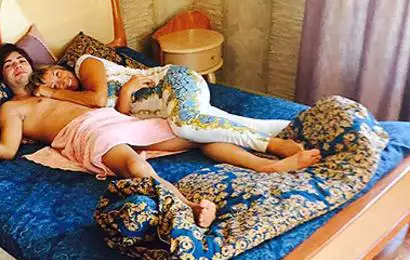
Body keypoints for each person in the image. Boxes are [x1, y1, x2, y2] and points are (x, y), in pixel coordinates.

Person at [0, 44, 320, 228]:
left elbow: (99, 99)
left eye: (21, 60)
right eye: (8, 65)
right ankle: (187, 206)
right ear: (1, 77)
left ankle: (269, 167)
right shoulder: (11, 109)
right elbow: (6, 150)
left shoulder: (54, 87)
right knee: (132, 165)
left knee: (197, 136)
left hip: (110, 119)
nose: (17, 66)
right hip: (83, 134)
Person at [28, 54, 318, 168]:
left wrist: (51, 92)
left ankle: (271, 146)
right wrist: (126, 92)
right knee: (213, 132)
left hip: (171, 82)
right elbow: (123, 119)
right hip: (170, 108)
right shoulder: (80, 105)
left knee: (186, 126)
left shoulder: (85, 64)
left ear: (62, 66)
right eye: (52, 84)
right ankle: (298, 128)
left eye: (57, 74)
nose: (60, 82)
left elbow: (97, 97)